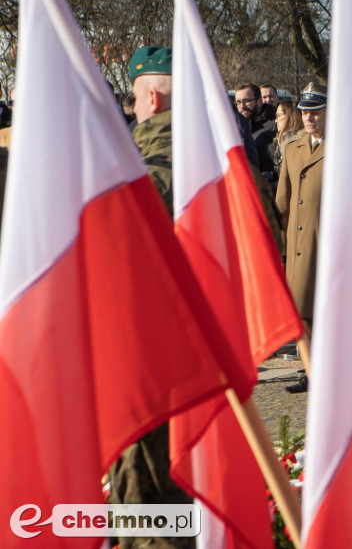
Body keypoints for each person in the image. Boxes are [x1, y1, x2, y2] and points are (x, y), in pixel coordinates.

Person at [108, 47, 194, 549]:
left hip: (146, 374)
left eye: (137, 100)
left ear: (153, 100)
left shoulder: (131, 175)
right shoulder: (226, 165)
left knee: (150, 516)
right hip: (218, 372)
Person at [276, 82, 327, 394]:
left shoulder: (341, 146)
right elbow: (283, 198)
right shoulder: (293, 148)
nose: (309, 118)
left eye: (316, 112)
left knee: (327, 307)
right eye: (306, 112)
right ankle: (310, 371)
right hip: (299, 240)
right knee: (304, 310)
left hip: (327, 239)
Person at [272, 99, 304, 179]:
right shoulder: (281, 140)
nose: (276, 120)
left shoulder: (297, 143)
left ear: (290, 116)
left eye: (279, 116)